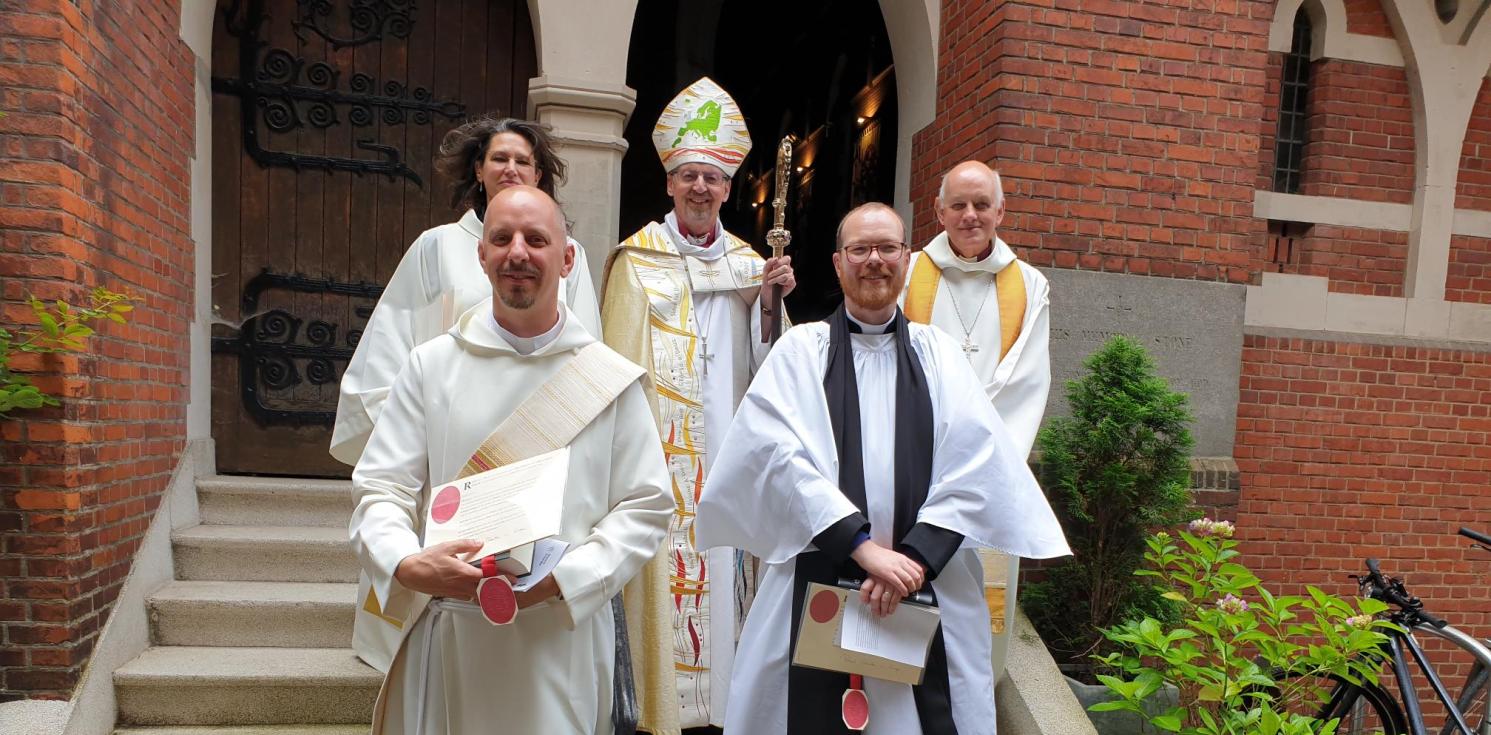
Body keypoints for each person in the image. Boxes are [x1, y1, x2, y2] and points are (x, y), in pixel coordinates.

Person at [695, 203, 1070, 734]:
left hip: (923, 586)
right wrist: (862, 549)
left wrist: (913, 560)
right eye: (860, 250)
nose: (875, 261)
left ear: (907, 258)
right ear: (838, 262)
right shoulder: (802, 350)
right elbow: (776, 458)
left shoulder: (938, 352)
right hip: (817, 577)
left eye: (887, 248)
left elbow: (978, 457)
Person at [349, 186, 671, 734]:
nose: (517, 252)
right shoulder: (431, 367)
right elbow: (381, 489)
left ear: (567, 259)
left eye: (536, 239)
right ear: (482, 256)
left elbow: (646, 507)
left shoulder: (607, 380)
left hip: (558, 637)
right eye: (501, 238)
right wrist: (406, 561)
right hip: (453, 630)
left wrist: (569, 578)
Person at [600, 76, 795, 734]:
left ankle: (721, 711)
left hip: (726, 454)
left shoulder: (749, 263)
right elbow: (615, 366)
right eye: (688, 175)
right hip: (659, 459)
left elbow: (773, 367)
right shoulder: (635, 262)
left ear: (729, 188)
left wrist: (770, 300)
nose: (700, 189)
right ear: (668, 183)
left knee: (724, 580)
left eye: (712, 178)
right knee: (662, 578)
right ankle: (659, 709)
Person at [331, 116, 601, 466]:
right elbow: (394, 338)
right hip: (451, 434)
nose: (510, 169)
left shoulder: (566, 254)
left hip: (537, 435)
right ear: (478, 169)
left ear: (537, 176)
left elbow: (585, 347)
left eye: (522, 161)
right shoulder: (437, 247)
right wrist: (407, 425)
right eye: (499, 159)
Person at [900, 160, 1052, 678]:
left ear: (1001, 212)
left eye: (981, 205)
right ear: (939, 211)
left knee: (975, 628)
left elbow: (1027, 385)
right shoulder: (906, 271)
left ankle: (973, 701)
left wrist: (980, 463)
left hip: (988, 471)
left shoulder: (1030, 286)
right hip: (913, 464)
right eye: (959, 205)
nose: (970, 216)